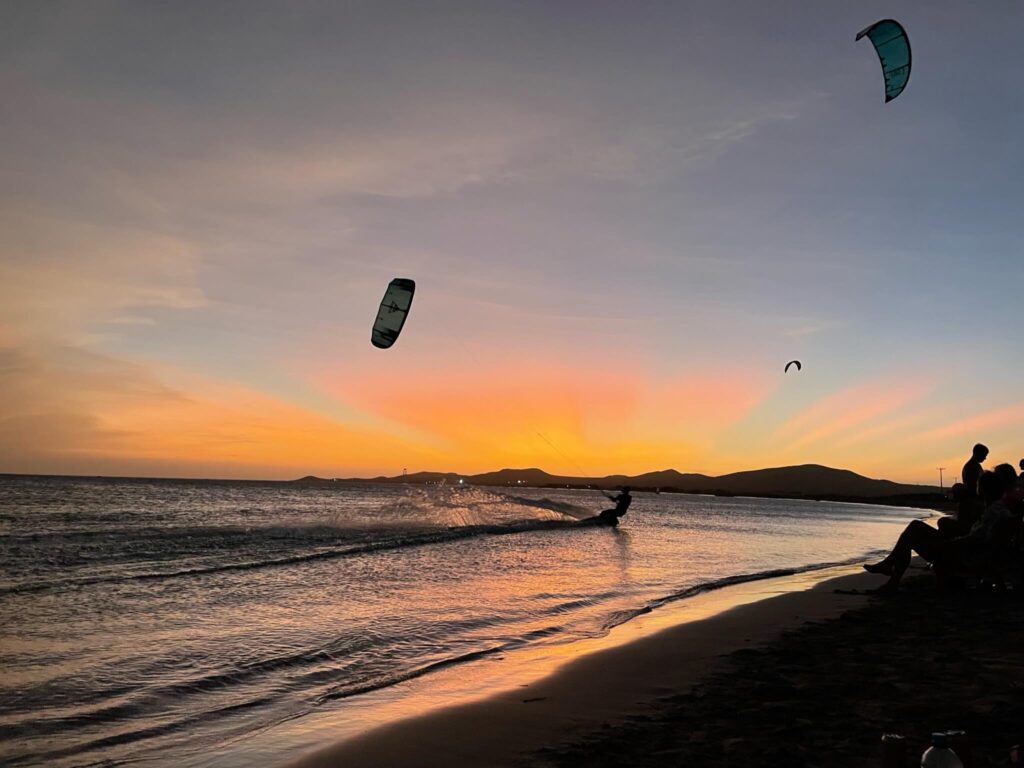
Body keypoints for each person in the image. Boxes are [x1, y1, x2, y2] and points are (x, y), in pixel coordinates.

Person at [864, 467, 1018, 592]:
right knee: (915, 529)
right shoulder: (998, 510)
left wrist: (954, 542)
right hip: (970, 553)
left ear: (984, 490)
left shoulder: (994, 512)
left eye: (979, 485)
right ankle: (890, 572)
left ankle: (891, 575)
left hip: (963, 556)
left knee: (914, 529)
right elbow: (982, 537)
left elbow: (977, 538)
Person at [939, 443, 989, 536]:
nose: (985, 458)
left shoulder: (975, 466)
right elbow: (972, 487)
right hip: (972, 504)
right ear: (977, 453)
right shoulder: (971, 467)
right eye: (984, 455)